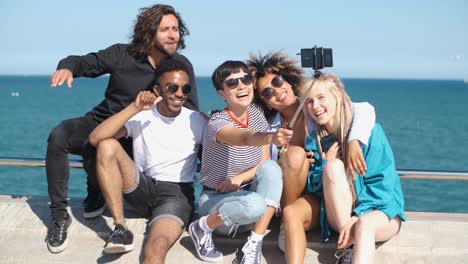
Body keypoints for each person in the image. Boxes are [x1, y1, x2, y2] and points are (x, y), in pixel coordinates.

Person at [45, 4, 198, 253]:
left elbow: (189, 112)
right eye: (165, 29)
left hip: (137, 135)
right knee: (60, 135)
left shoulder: (180, 66)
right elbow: (83, 62)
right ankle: (60, 215)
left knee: (105, 147)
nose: (173, 35)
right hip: (103, 122)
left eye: (176, 29)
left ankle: (99, 189)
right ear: (149, 33)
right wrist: (67, 67)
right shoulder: (122, 54)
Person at [247, 51, 376, 258]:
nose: (276, 91)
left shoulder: (313, 106)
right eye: (267, 92)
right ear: (265, 102)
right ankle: (285, 227)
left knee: (298, 156)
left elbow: (364, 109)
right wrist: (284, 160)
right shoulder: (269, 127)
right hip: (287, 196)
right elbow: (264, 167)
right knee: (295, 156)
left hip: (319, 191)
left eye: (278, 81)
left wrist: (354, 141)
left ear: (288, 80)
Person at [88, 58, 206, 263]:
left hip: (176, 195)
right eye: (172, 87)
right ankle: (120, 228)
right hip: (141, 187)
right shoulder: (142, 116)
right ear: (158, 90)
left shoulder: (197, 120)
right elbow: (96, 138)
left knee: (156, 246)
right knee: (108, 145)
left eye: (185, 88)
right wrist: (134, 108)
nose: (180, 94)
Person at [189, 60, 293, 264]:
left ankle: (254, 243)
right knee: (255, 204)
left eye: (245, 79)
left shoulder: (256, 113)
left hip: (249, 204)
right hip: (217, 203)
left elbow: (263, 162)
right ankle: (201, 227)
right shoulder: (217, 123)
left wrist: (240, 178)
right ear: (221, 93)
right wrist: (271, 137)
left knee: (271, 167)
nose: (241, 86)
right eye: (232, 83)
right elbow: (244, 137)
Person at [296, 74, 406, 264]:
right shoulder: (314, 139)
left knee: (364, 225)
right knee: (332, 167)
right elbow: (314, 189)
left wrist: (359, 214)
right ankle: (349, 246)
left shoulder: (370, 132)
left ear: (337, 96)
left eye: (321, 98)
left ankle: (350, 249)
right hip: (338, 217)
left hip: (381, 212)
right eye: (309, 101)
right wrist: (324, 164)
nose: (315, 106)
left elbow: (383, 186)